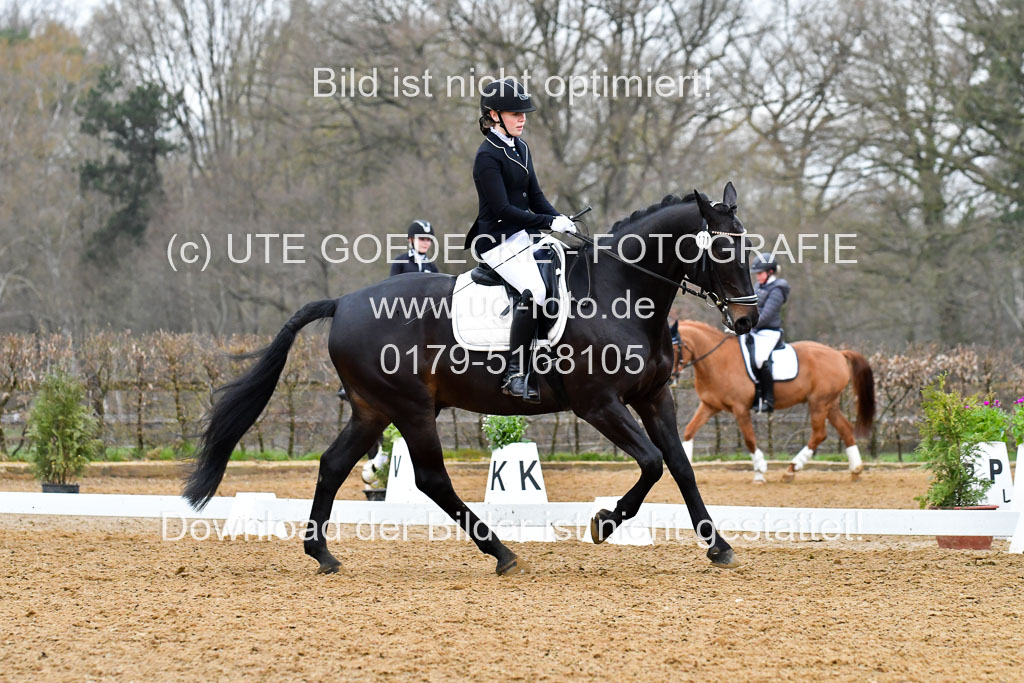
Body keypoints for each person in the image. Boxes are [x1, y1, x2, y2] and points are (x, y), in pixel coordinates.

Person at [465, 78, 576, 403]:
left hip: (522, 236)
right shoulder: (487, 156)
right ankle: (515, 372)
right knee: (535, 291)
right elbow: (503, 209)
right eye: (516, 113)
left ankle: (547, 355)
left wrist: (561, 221)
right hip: (496, 240)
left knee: (563, 272)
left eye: (523, 113)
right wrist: (547, 222)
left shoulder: (521, 147)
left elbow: (537, 197)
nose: (523, 119)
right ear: (494, 115)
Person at [743, 254, 790, 413]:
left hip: (769, 332)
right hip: (754, 330)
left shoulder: (778, 289)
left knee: (759, 359)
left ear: (770, 272)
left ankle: (767, 399)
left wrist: (747, 325)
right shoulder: (758, 286)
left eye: (760, 273)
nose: (757, 276)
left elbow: (766, 315)